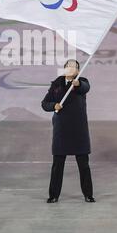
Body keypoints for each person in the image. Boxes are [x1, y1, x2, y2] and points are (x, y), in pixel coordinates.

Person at [41, 59, 95, 203]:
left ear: (78, 70)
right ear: (64, 68)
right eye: (69, 66)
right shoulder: (56, 83)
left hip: (79, 130)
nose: (71, 68)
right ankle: (53, 195)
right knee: (57, 164)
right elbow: (44, 103)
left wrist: (77, 84)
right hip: (61, 130)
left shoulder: (81, 81)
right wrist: (54, 105)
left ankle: (88, 194)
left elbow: (85, 87)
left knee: (83, 165)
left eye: (74, 66)